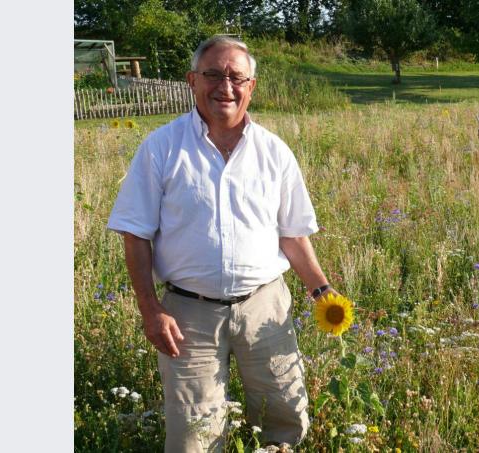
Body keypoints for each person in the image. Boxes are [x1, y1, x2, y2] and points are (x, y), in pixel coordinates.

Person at [107, 35, 334, 452]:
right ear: (193, 81)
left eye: (236, 77)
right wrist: (150, 309)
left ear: (252, 87)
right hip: (187, 316)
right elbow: (135, 233)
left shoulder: (275, 152)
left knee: (283, 420)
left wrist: (322, 290)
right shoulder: (161, 148)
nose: (224, 87)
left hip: (265, 309)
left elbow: (293, 235)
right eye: (213, 75)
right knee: (194, 435)